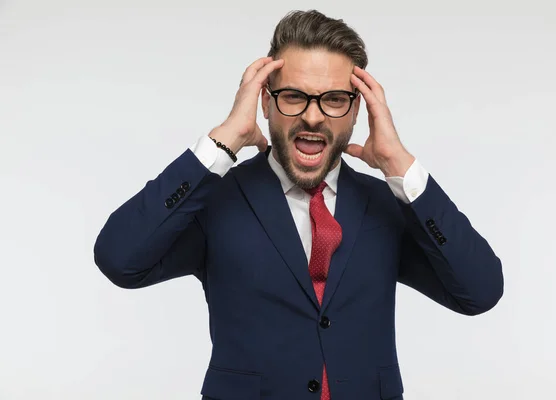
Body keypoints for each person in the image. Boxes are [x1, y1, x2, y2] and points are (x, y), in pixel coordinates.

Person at [93, 9, 503, 400]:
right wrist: (221, 143)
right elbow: (119, 258)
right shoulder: (216, 199)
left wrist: (401, 164)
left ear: (357, 109)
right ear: (266, 102)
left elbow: (480, 291)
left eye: (334, 99)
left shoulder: (388, 206)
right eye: (293, 96)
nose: (312, 117)